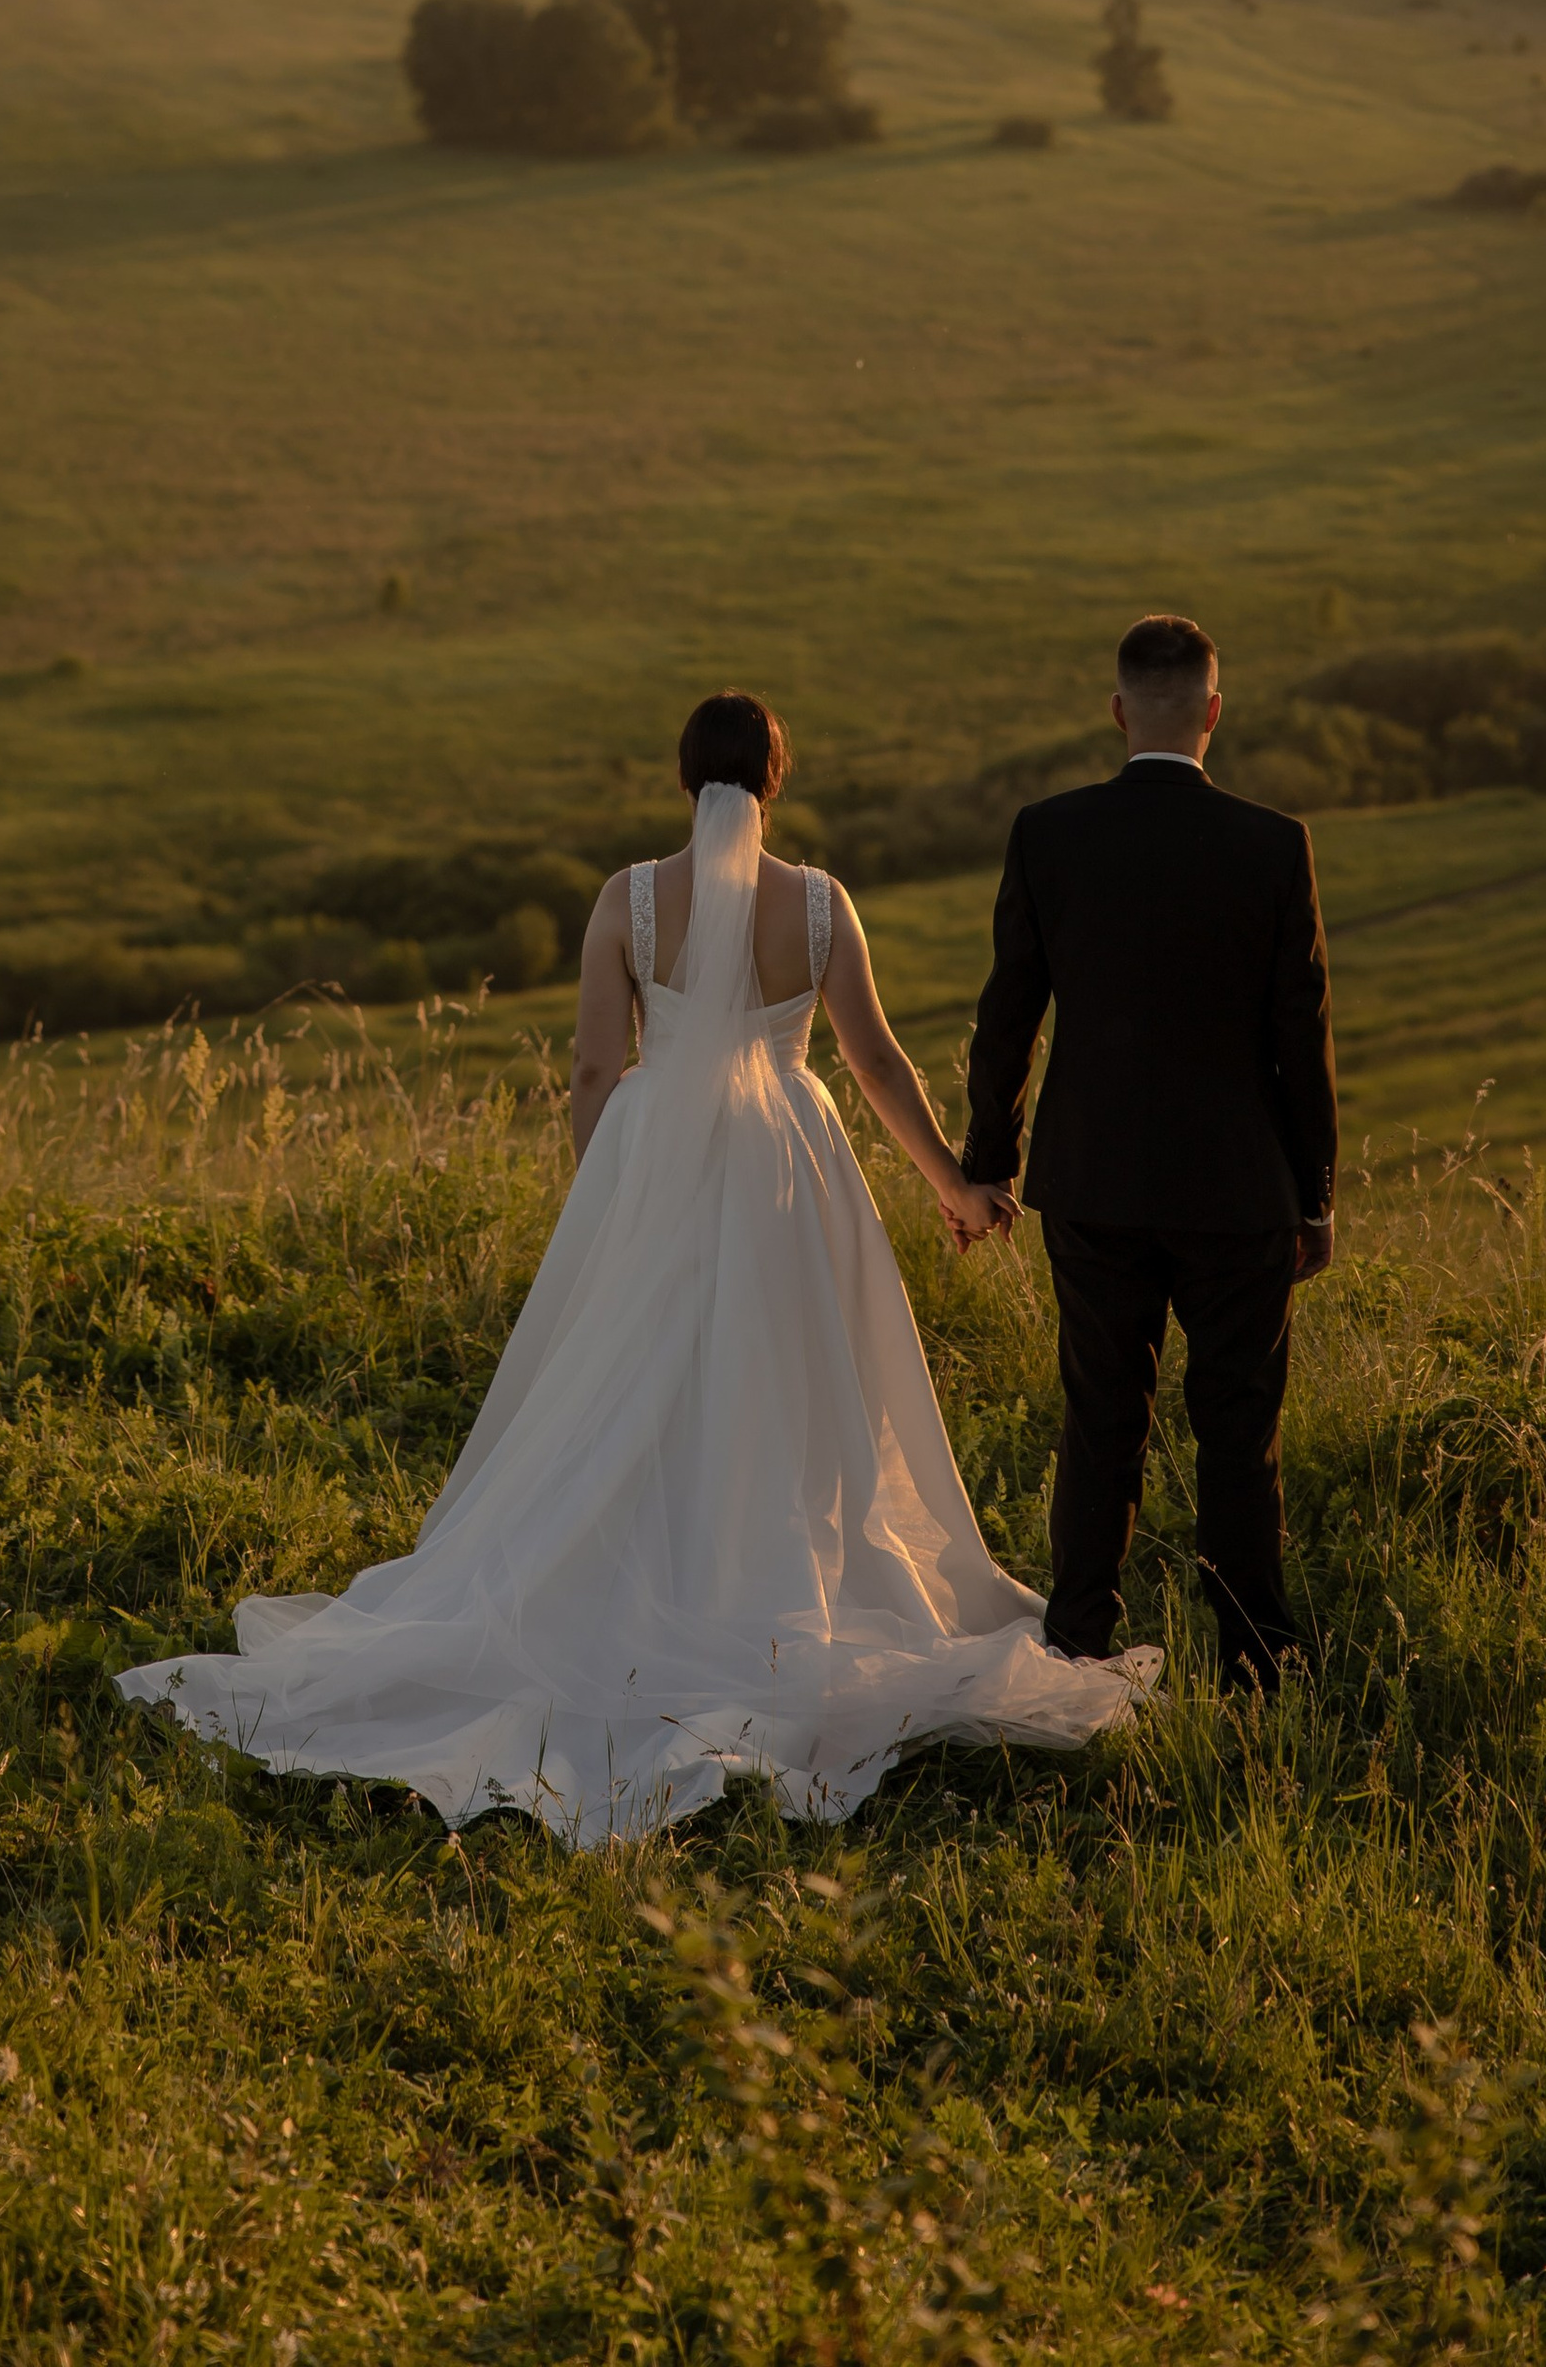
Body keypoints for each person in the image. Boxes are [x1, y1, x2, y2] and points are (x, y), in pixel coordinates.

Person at [119, 690, 1155, 1840]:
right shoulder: (819, 905)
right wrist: (954, 1185)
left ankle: (645, 1586)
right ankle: (766, 1583)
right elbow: (873, 1060)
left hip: (658, 1154)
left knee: (636, 1387)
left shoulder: (629, 899)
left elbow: (591, 1069)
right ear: (776, 779)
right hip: (786, 1161)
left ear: (682, 778)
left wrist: (604, 1196)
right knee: (785, 1384)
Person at [960, 611, 1339, 1693]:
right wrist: (1315, 1195)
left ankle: (1080, 1643)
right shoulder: (1274, 844)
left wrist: (989, 1162)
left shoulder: (1048, 833)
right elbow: (1301, 1034)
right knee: (1238, 1429)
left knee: (1100, 1418)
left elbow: (1007, 1016)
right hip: (1240, 1189)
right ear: (1214, 711)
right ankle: (1255, 1664)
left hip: (1092, 1181)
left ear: (1118, 711)